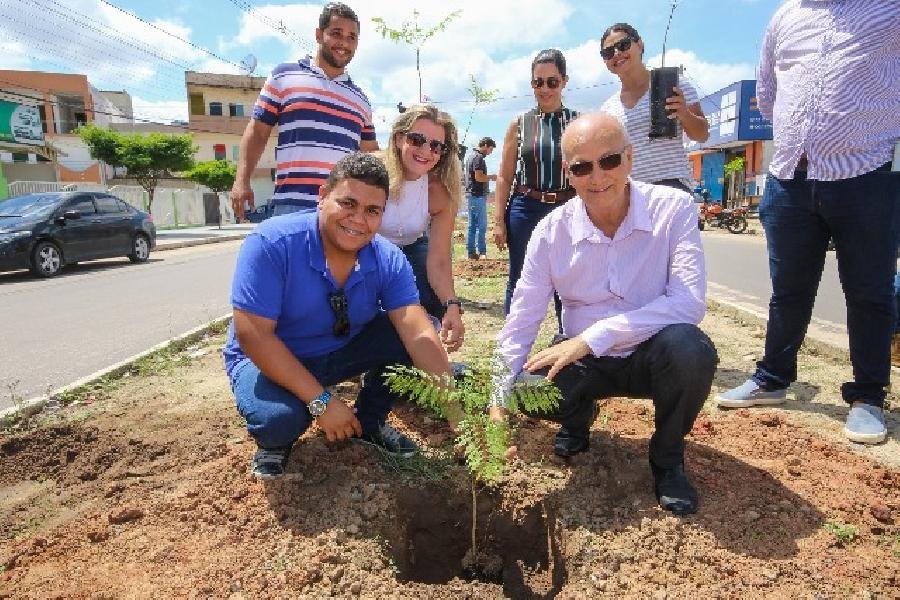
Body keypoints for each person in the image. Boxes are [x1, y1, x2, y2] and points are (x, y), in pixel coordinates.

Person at [491, 113, 717, 516]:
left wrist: (594, 336)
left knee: (692, 350)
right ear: (568, 173)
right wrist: (496, 400)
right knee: (526, 390)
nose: (597, 177)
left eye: (608, 160)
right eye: (581, 166)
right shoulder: (550, 232)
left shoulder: (674, 208)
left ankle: (668, 460)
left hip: (651, 355)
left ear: (629, 158)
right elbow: (522, 318)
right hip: (584, 360)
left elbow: (688, 302)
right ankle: (578, 418)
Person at [715, 0, 899, 445]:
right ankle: (773, 379)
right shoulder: (785, 16)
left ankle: (868, 397)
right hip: (791, 177)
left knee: (869, 292)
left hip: (868, 173)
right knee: (788, 292)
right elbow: (769, 91)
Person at [223, 153, 453, 478]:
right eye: (348, 203)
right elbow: (254, 335)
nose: (358, 219)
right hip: (272, 356)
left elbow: (418, 333)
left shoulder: (388, 259)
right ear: (322, 197)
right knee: (278, 421)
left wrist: (458, 411)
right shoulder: (272, 243)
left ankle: (369, 422)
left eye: (372, 210)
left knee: (404, 338)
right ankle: (276, 444)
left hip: (340, 350)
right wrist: (322, 403)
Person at [230, 2, 378, 220]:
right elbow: (258, 132)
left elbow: (370, 153)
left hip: (342, 211)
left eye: (351, 37)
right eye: (336, 33)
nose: (344, 43)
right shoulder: (283, 77)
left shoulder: (361, 99)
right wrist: (241, 180)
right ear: (319, 35)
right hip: (291, 208)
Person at [493, 49, 579, 319]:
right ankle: (511, 351)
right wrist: (498, 220)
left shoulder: (578, 123)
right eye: (537, 82)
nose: (544, 89)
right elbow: (505, 175)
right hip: (525, 209)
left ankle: (569, 343)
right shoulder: (519, 124)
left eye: (552, 82)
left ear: (564, 81)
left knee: (569, 282)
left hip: (568, 208)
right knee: (520, 278)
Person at [378, 104, 466, 352]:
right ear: (398, 139)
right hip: (366, 251)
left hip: (411, 248)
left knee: (430, 301)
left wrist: (452, 304)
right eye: (417, 140)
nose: (426, 151)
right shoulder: (373, 174)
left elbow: (438, 260)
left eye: (436, 146)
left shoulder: (440, 192)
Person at [598, 22, 709, 194]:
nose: (617, 53)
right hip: (630, 193)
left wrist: (684, 114)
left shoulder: (674, 85)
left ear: (640, 44)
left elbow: (702, 135)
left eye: (623, 45)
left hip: (672, 188)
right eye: (608, 52)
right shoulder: (607, 109)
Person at [464, 137, 497, 259]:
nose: (490, 152)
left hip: (471, 195)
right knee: (481, 225)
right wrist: (491, 177)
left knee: (472, 225)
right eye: (490, 149)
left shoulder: (471, 156)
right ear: (486, 145)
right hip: (477, 195)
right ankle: (482, 252)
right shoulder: (478, 158)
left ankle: (471, 252)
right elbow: (479, 177)